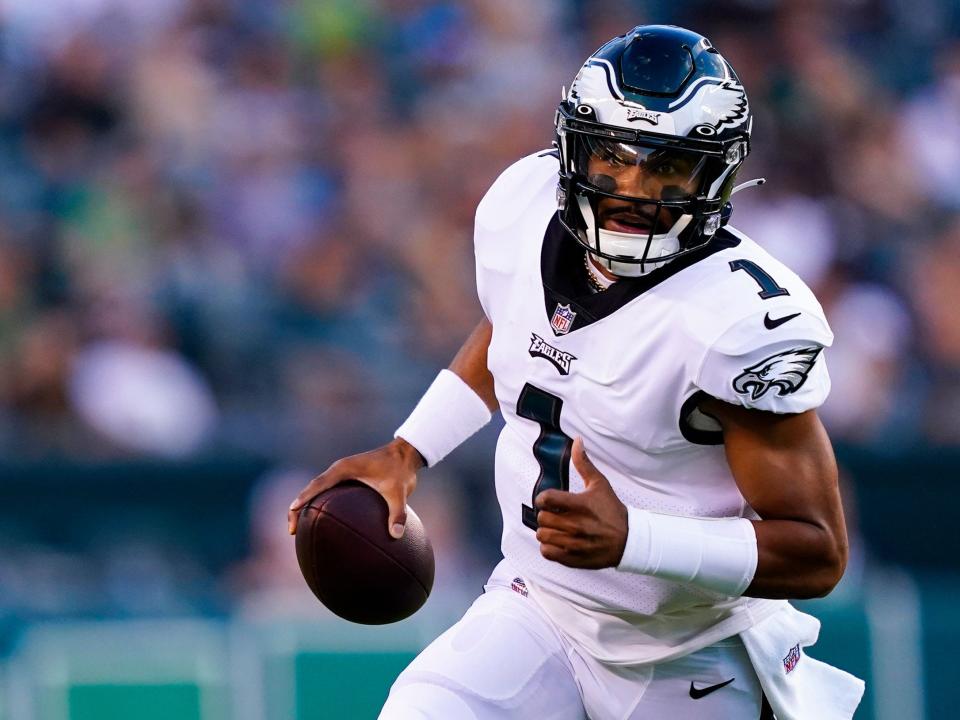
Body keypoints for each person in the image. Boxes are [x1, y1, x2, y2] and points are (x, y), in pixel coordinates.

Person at [288, 24, 865, 719]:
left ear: (716, 174)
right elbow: (514, 326)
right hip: (538, 608)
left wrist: (635, 540)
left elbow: (818, 552)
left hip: (690, 654)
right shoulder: (522, 208)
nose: (631, 189)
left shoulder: (735, 321)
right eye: (612, 160)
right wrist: (409, 451)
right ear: (572, 151)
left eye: (667, 167)